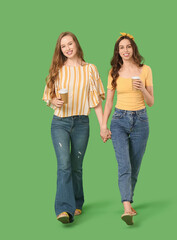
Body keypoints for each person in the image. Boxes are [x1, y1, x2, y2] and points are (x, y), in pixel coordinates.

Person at [43, 32, 105, 224]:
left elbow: (95, 102)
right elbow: (47, 96)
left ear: (76, 44)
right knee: (64, 165)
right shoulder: (57, 69)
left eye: (70, 44)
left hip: (81, 123)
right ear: (60, 50)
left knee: (76, 167)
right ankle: (63, 209)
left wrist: (103, 126)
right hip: (60, 122)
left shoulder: (90, 69)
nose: (67, 48)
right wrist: (54, 100)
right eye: (63, 46)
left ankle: (77, 201)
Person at [100, 33, 154, 225]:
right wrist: (103, 126)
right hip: (119, 120)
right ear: (117, 51)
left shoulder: (145, 70)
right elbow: (108, 102)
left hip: (141, 120)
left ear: (133, 49)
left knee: (135, 167)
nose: (125, 50)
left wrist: (142, 89)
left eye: (128, 47)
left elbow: (151, 102)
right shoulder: (113, 72)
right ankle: (126, 208)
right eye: (121, 47)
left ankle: (129, 203)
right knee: (124, 166)